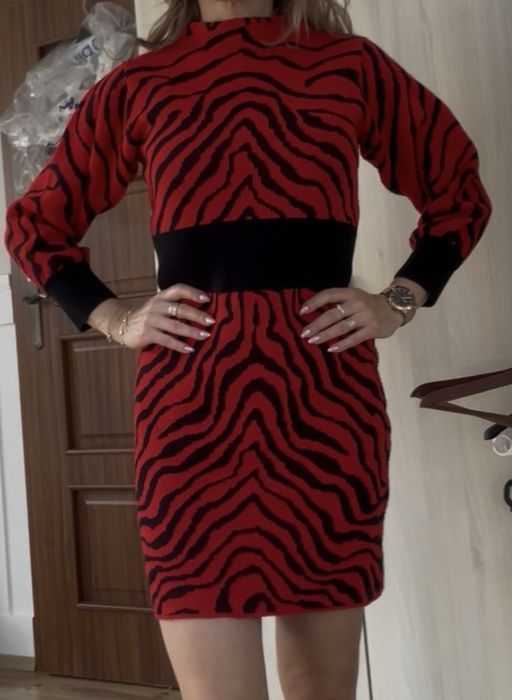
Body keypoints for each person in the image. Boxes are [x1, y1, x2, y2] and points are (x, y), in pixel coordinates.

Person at [3, 0, 493, 698]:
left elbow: (457, 190)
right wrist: (113, 317)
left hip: (323, 405)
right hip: (190, 415)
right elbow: (35, 225)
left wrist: (398, 302)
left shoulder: (349, 66)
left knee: (322, 691)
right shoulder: (140, 83)